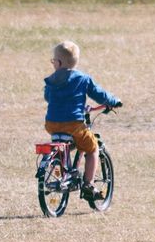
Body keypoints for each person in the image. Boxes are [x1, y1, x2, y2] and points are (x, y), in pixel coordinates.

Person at [43, 40, 122, 201]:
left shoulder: (51, 80)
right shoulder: (83, 78)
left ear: (58, 62)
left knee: (65, 145)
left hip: (51, 124)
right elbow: (100, 95)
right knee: (92, 148)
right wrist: (113, 101)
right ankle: (88, 184)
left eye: (53, 61)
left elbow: (47, 97)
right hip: (74, 124)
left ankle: (61, 170)